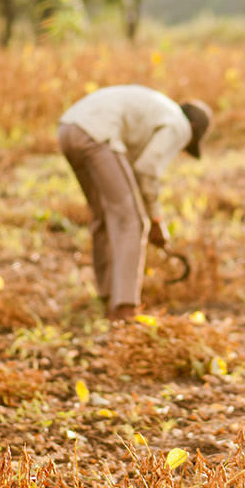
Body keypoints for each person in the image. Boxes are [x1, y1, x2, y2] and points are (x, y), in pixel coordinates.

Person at [57, 85, 211, 321]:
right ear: (193, 129)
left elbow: (130, 172)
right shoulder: (179, 125)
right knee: (132, 222)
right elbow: (147, 170)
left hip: (68, 129)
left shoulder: (159, 109)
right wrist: (156, 220)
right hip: (96, 134)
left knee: (105, 216)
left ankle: (108, 298)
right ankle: (125, 309)